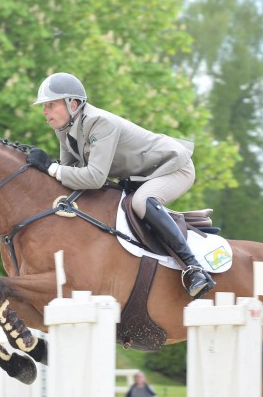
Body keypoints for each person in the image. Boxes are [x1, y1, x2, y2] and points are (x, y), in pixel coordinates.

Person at [28, 72, 215, 299]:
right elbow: (67, 177)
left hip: (174, 167)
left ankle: (194, 268)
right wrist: (43, 172)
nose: (44, 111)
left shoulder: (100, 123)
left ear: (73, 104)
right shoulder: (65, 131)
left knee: (141, 202)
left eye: (50, 105)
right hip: (142, 175)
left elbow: (94, 178)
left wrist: (51, 167)